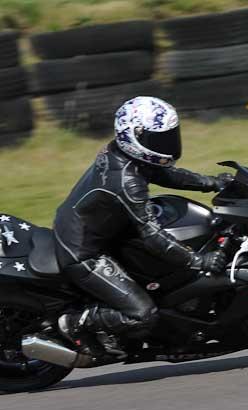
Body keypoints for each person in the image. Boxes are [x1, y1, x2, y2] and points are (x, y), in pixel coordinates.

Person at [54, 96, 231, 355]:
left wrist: (212, 183)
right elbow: (152, 235)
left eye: (170, 136)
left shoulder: (127, 154)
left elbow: (164, 173)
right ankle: (75, 322)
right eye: (159, 139)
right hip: (82, 252)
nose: (167, 144)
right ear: (134, 136)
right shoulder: (127, 181)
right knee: (143, 314)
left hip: (102, 230)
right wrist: (198, 261)